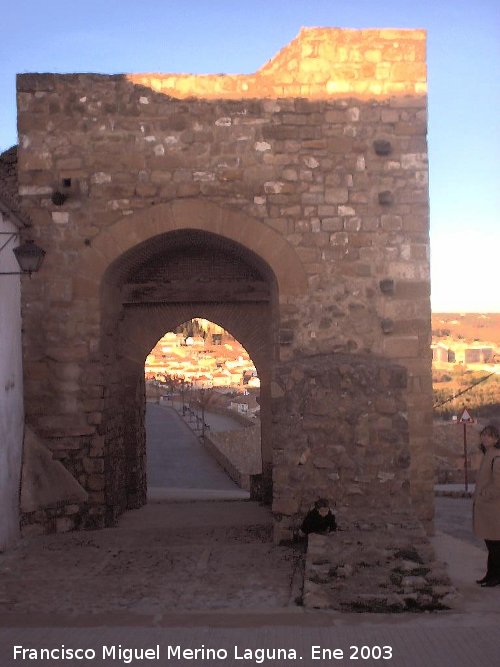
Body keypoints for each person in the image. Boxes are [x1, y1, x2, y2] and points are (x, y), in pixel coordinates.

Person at [473, 423, 500, 587]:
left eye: (489, 435)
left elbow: (498, 485)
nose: (484, 437)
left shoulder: (496, 457)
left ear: (496, 439)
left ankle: (495, 576)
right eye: (483, 434)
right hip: (487, 509)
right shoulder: (488, 454)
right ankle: (490, 575)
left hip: (493, 509)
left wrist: (483, 496)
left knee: (495, 545)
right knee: (491, 544)